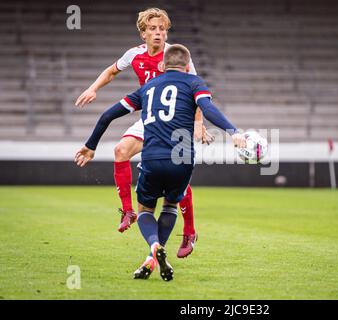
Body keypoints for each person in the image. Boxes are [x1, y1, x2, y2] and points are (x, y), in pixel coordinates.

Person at [75, 44, 246, 280]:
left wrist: (91, 145)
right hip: (183, 160)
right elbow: (207, 108)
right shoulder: (195, 83)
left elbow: (107, 115)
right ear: (187, 67)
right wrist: (233, 131)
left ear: (163, 66)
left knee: (145, 210)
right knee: (170, 206)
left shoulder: (148, 87)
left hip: (153, 158)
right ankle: (152, 256)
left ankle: (154, 244)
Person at [74, 8, 210, 258]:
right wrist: (93, 88)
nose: (158, 33)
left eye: (162, 29)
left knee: (178, 177)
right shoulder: (134, 55)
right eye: (153, 29)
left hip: (176, 123)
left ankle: (190, 231)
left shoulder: (178, 57)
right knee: (120, 150)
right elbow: (111, 71)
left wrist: (198, 123)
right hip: (149, 118)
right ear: (143, 33)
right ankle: (128, 211)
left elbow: (196, 90)